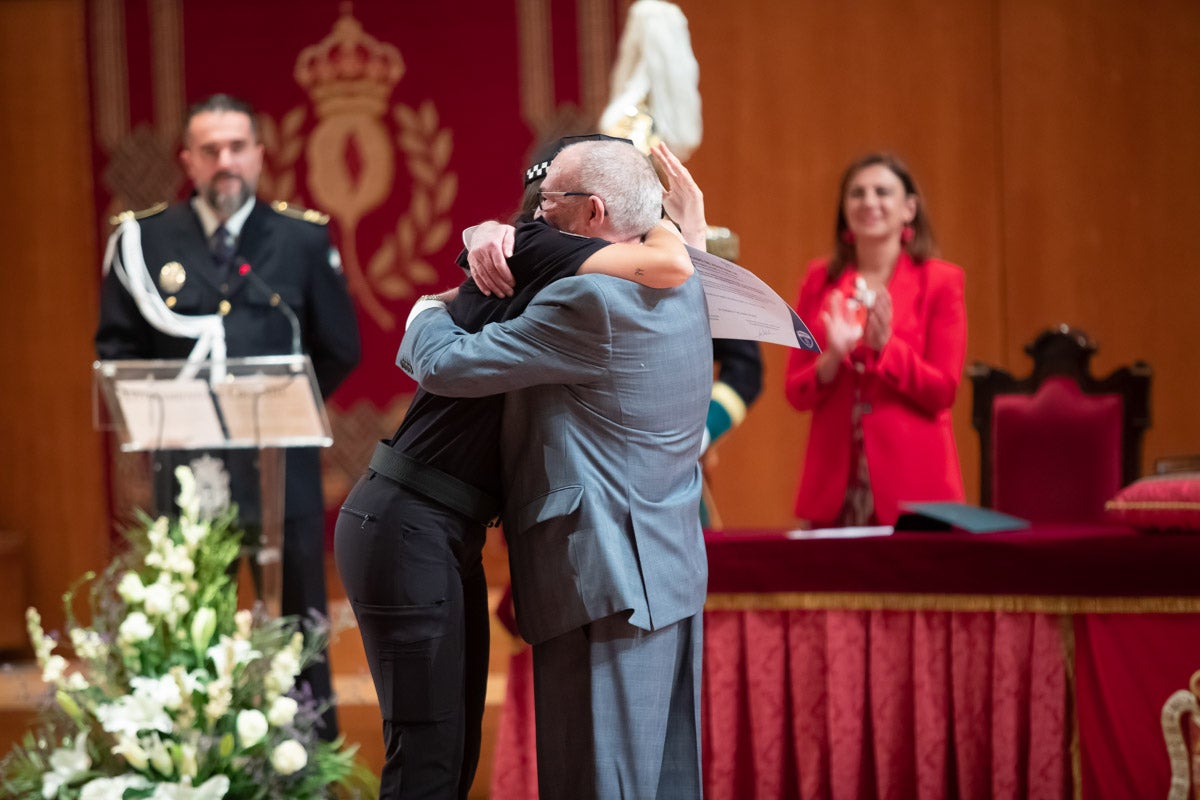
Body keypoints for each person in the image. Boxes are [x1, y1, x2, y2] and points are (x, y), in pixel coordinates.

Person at [334, 135, 697, 799]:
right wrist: (428, 307)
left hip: (443, 523)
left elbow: (668, 267)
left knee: (452, 753)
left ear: (590, 210)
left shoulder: (580, 264)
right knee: (430, 759)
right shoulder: (541, 249)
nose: (535, 213)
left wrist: (676, 229)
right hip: (404, 515)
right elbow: (670, 266)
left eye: (548, 199)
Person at [94, 93, 361, 739]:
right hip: (188, 469)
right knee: (192, 619)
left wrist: (279, 410)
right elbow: (116, 348)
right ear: (187, 158)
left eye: (237, 147)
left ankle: (308, 762)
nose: (225, 161)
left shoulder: (300, 238)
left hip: (281, 468)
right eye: (210, 149)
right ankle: (197, 759)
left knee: (299, 622)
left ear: (260, 155)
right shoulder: (144, 239)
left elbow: (339, 346)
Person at [784, 153, 966, 527]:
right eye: (857, 193)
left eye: (882, 192)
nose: (869, 202)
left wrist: (887, 349)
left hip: (914, 491)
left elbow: (943, 392)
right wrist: (832, 357)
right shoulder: (820, 280)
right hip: (833, 491)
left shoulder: (941, 281)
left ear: (909, 209)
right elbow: (795, 392)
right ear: (844, 210)